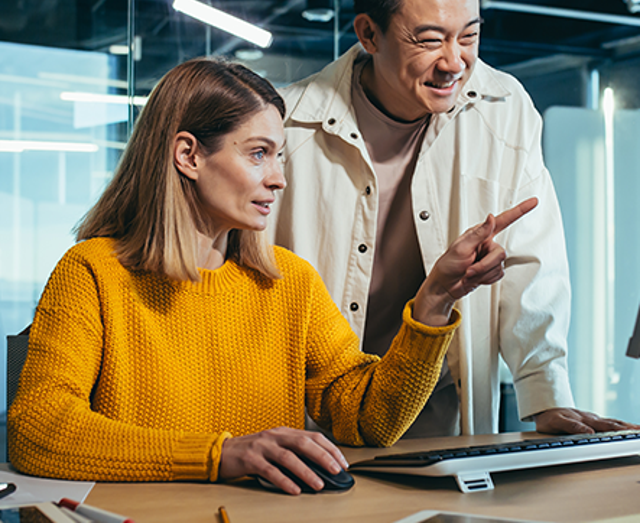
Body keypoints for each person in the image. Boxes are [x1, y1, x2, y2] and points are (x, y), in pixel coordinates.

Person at [8, 58, 534, 495]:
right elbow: (40, 431)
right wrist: (221, 454)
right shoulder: (92, 273)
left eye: (278, 155)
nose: (279, 178)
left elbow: (368, 419)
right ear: (188, 154)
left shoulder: (289, 282)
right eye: (258, 154)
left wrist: (434, 300)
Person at [269, 0, 633, 437]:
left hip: (436, 411)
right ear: (369, 34)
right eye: (430, 39)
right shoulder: (286, 125)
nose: (455, 61)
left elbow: (533, 260)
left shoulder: (504, 107)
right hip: (310, 416)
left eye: (469, 36)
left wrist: (545, 394)